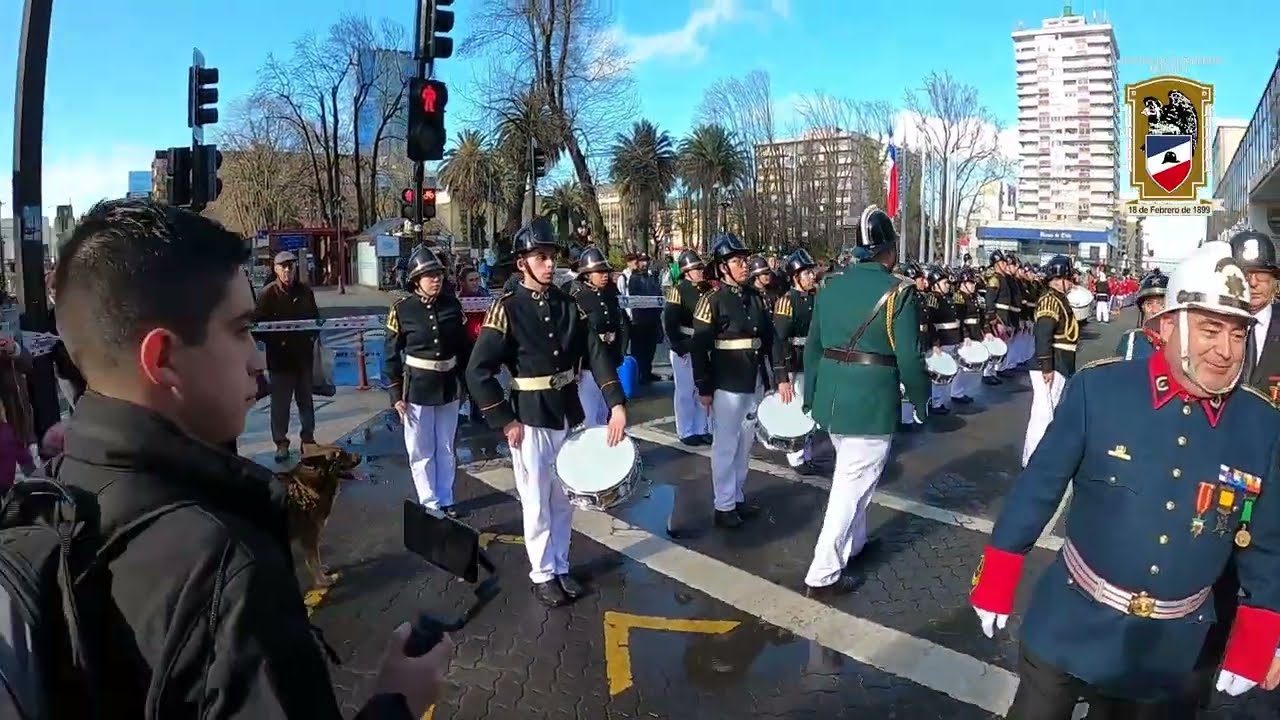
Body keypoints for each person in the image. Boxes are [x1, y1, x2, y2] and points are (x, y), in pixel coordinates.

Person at [49, 198, 450, 717]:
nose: (256, 357)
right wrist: (396, 701)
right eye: (241, 330)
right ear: (164, 358)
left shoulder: (57, 495)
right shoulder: (225, 565)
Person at [969, 240, 1280, 719]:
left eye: (1238, 335)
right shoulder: (1102, 389)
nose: (1226, 350)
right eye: (1211, 329)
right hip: (1071, 622)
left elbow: (1265, 541)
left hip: (1169, 652)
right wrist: (1000, 569)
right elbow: (1040, 484)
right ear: (1170, 326)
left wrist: (1261, 629)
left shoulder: (1261, 424)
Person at [465, 218, 628, 608]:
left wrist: (616, 403)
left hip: (567, 411)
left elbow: (595, 353)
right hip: (530, 416)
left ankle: (560, 564)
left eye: (551, 256)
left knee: (563, 498)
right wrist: (505, 420)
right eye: (541, 257)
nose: (549, 264)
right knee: (536, 499)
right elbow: (478, 371)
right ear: (522, 262)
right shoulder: (507, 308)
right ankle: (542, 573)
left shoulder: (567, 303)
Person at [801, 205, 929, 597]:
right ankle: (822, 572)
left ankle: (853, 545)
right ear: (887, 249)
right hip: (870, 401)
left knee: (853, 477)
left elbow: (814, 346)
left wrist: (811, 396)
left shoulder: (830, 285)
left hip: (834, 398)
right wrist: (922, 399)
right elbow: (909, 355)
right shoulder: (898, 291)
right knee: (850, 486)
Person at [690, 233, 774, 530]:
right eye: (737, 261)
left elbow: (768, 339)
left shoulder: (754, 297)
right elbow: (699, 346)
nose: (745, 266)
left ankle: (737, 496)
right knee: (726, 446)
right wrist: (703, 386)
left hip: (752, 381)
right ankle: (723, 505)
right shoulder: (711, 300)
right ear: (723, 267)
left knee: (745, 443)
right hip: (726, 382)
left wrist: (776, 376)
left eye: (744, 260)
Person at [386, 246, 471, 517]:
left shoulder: (451, 305)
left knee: (446, 446)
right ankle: (429, 501)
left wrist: (467, 384)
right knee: (421, 450)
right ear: (415, 280)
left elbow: (464, 347)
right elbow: (390, 355)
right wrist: (395, 394)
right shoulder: (402, 310)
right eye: (429, 275)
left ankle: (446, 497)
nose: (436, 279)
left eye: (438, 274)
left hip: (448, 384)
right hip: (418, 388)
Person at [255, 250, 320, 462]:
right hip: (280, 361)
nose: (287, 271)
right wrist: (277, 340)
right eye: (283, 267)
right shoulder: (267, 294)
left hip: (303, 359)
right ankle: (281, 443)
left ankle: (308, 440)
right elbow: (257, 328)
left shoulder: (305, 292)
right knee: (280, 406)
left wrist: (309, 338)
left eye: (290, 267)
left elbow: (316, 321)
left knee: (306, 403)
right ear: (275, 269)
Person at [1020, 255, 1079, 468]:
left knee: (1049, 410)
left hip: (1059, 362)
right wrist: (1047, 366)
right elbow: (1043, 334)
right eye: (1069, 278)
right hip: (1050, 363)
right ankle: (1033, 459)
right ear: (1060, 277)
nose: (1072, 282)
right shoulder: (1050, 300)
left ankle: (1040, 455)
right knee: (1042, 413)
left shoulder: (1058, 299)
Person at [770, 249, 822, 475]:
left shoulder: (814, 298)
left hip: (812, 361)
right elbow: (779, 341)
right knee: (797, 410)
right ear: (795, 277)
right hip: (795, 362)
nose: (812, 277)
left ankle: (807, 452)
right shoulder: (786, 301)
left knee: (810, 410)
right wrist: (783, 374)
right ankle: (796, 456)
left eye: (812, 272)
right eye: (807, 273)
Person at [570, 247, 629, 427]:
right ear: (587, 275)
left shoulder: (610, 295)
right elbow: (574, 335)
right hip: (588, 365)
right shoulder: (580, 299)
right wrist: (575, 366)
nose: (605, 275)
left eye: (606, 271)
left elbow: (620, 324)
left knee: (605, 412)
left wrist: (620, 352)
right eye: (599, 272)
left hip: (609, 359)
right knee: (588, 415)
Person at [663, 250, 713, 446]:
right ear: (686, 271)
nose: (700, 271)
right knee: (685, 390)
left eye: (700, 268)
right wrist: (678, 346)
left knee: (703, 386)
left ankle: (703, 428)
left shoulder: (707, 289)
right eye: (696, 269)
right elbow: (670, 321)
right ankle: (686, 430)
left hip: (704, 344)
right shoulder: (679, 290)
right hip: (686, 342)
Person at [1228, 229, 1280, 394]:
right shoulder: (1213, 324)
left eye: (1261, 274)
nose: (1253, 283)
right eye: (1244, 274)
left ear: (1274, 281)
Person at [925, 266, 960, 415]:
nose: (948, 286)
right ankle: (935, 402)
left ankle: (941, 400)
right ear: (935, 283)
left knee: (947, 374)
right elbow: (930, 322)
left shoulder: (947, 298)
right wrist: (935, 342)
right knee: (939, 375)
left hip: (951, 339)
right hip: (942, 341)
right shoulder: (933, 299)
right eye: (945, 283)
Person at [1116, 269, 1169, 361]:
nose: (1155, 310)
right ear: (1142, 307)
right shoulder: (1131, 339)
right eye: (1149, 304)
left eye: (1161, 305)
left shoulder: (1183, 341)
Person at [950, 268, 983, 404]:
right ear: (962, 283)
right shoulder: (959, 297)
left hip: (974, 330)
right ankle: (955, 392)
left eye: (973, 283)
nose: (973, 285)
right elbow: (960, 318)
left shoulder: (973, 297)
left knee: (966, 367)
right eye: (970, 283)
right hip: (965, 333)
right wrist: (966, 335)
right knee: (961, 365)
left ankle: (960, 391)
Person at [983, 250, 1017, 386]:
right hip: (998, 317)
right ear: (996, 264)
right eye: (1002, 262)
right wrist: (992, 317)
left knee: (1000, 346)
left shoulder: (1004, 279)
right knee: (993, 347)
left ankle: (993, 372)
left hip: (1004, 316)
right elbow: (990, 300)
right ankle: (987, 373)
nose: (1005, 264)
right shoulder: (995, 279)